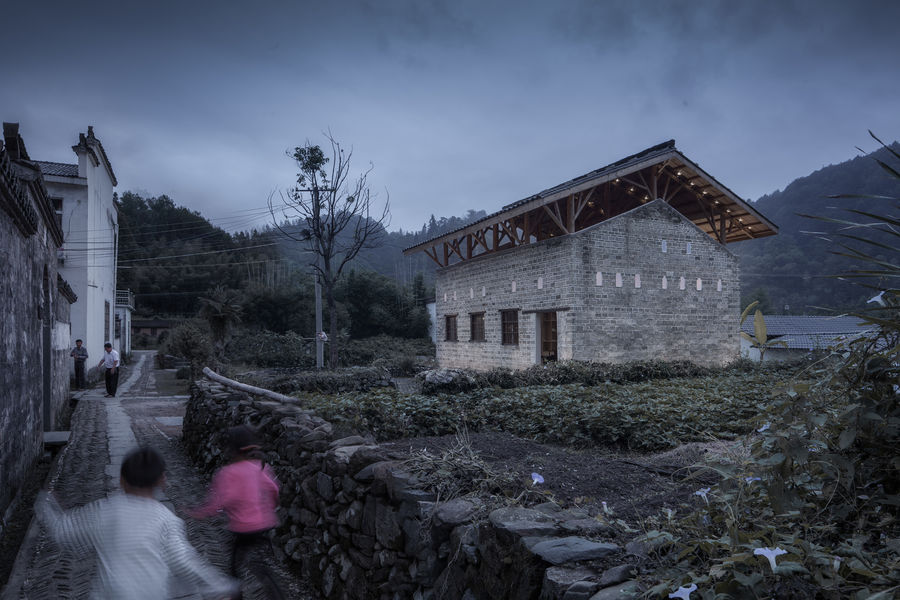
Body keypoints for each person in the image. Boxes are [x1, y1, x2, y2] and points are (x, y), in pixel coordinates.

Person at [35, 446, 239, 600]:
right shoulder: (167, 520)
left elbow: (63, 532)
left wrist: (46, 503)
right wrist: (220, 585)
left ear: (121, 480)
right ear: (162, 481)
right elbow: (184, 561)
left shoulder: (104, 510)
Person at [187, 425, 284, 599]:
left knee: (234, 566)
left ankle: (236, 595)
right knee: (260, 563)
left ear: (231, 450)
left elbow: (220, 501)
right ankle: (274, 591)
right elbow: (274, 489)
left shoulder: (227, 473)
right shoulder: (260, 467)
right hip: (264, 524)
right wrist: (270, 506)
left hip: (242, 528)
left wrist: (200, 513)